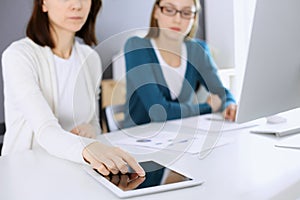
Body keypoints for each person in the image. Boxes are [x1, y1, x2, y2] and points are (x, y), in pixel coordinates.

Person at [1, 0, 144, 177]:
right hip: (27, 172)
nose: (77, 5)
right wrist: (88, 146)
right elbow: (45, 130)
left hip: (76, 170)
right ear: (43, 4)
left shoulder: (89, 57)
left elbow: (94, 124)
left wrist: (90, 131)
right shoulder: (19, 56)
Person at [123, 0, 237, 128]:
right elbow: (158, 112)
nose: (177, 19)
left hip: (182, 136)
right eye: (169, 10)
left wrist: (230, 105)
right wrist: (207, 108)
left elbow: (221, 93)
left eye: (186, 12)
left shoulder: (197, 50)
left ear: (194, 17)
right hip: (137, 139)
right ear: (156, 12)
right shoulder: (136, 47)